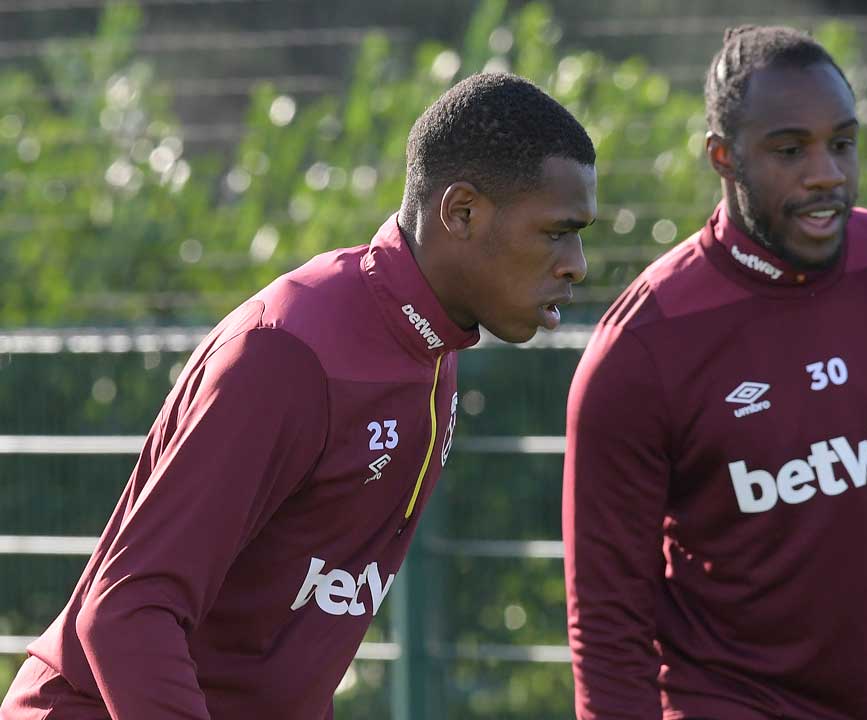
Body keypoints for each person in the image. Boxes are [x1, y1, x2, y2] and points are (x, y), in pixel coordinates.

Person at [1, 72, 596, 719]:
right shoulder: (291, 352)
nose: (576, 263)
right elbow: (126, 610)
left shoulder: (433, 352)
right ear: (461, 213)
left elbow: (288, 642)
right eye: (556, 232)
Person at [563, 25, 867, 720]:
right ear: (724, 157)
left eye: (843, 143)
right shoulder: (643, 349)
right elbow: (607, 622)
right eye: (790, 150)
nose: (826, 172)